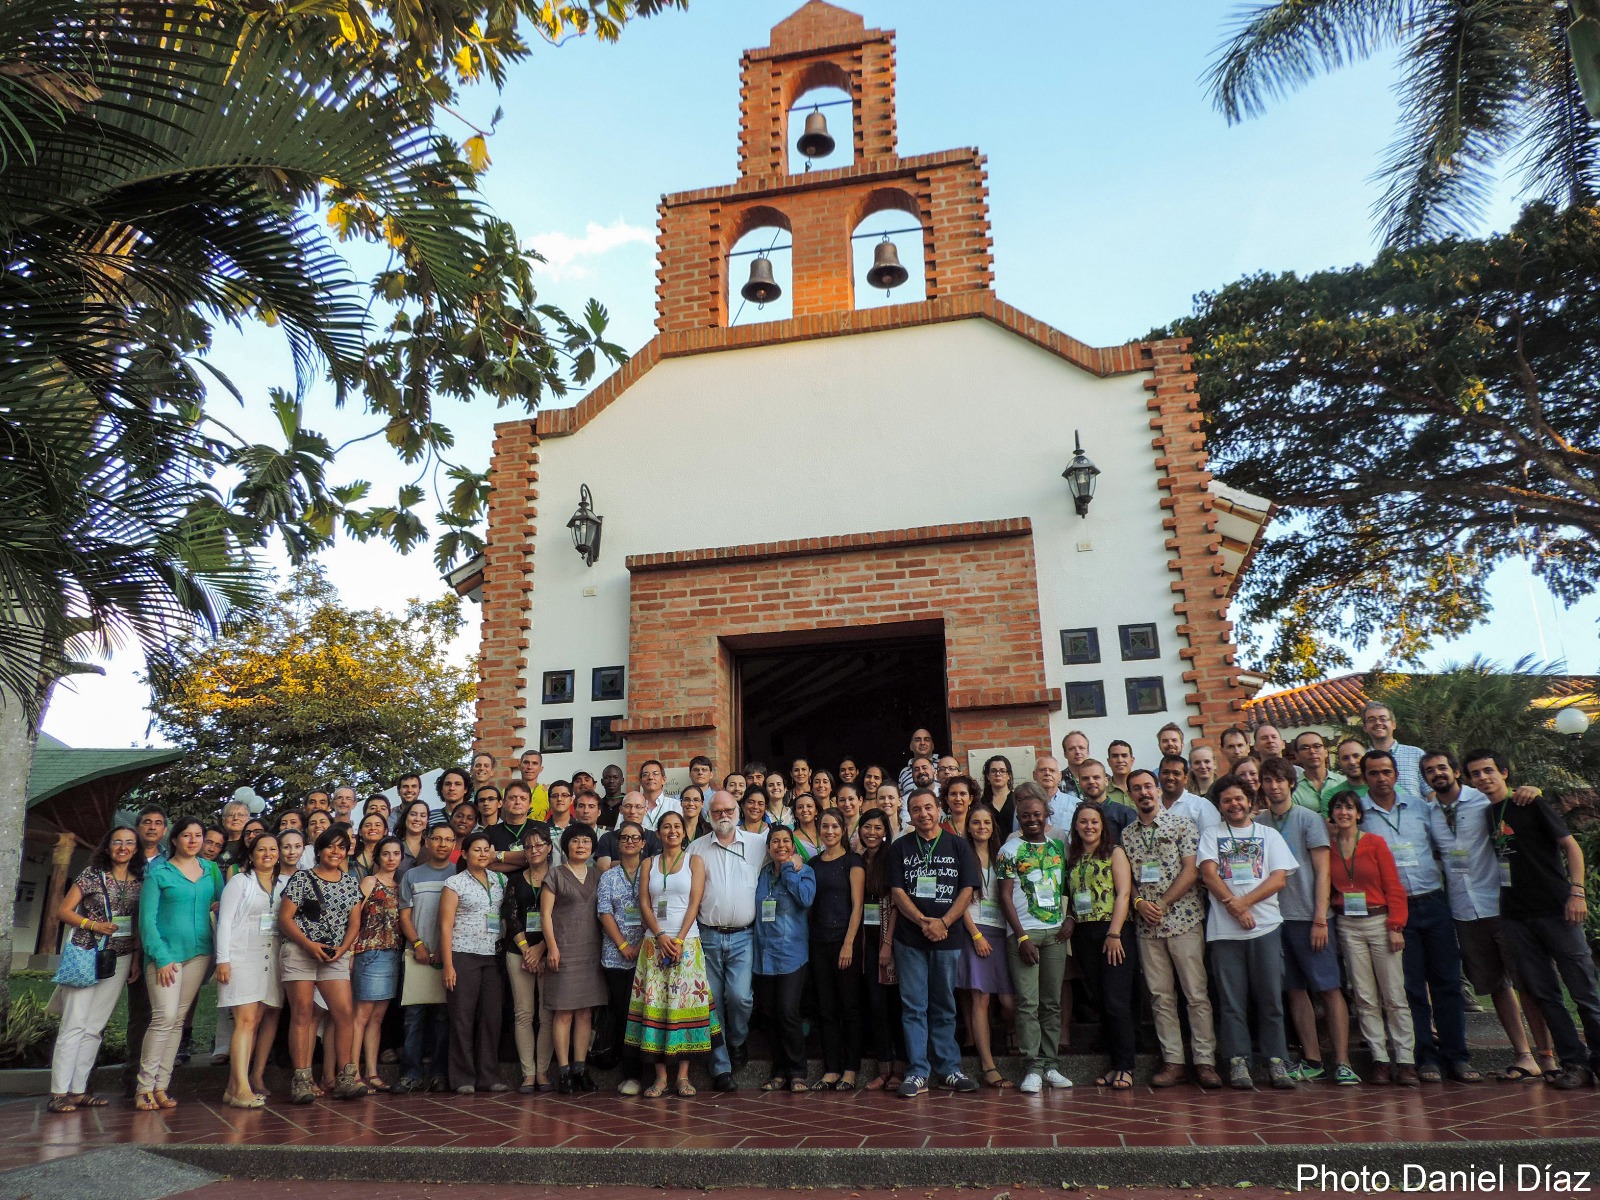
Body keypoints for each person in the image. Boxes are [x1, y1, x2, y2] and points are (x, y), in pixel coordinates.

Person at [1466, 749, 1600, 1089]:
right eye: (1476, 774)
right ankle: (1575, 1064)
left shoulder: (1531, 804)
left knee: (1583, 990)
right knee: (1545, 994)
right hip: (1515, 916)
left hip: (1557, 909)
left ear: (1505, 773)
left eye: (1488, 771)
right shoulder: (1487, 814)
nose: (1483, 778)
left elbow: (1571, 846)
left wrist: (1577, 891)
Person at [1422, 750, 1554, 1081]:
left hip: (1500, 904)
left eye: (1442, 767)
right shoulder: (1428, 812)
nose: (1437, 773)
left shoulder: (1481, 802)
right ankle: (1523, 1055)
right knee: (1496, 985)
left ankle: (1548, 1056)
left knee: (1525, 982)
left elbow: (1512, 801)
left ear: (1455, 772)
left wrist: (1531, 790)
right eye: (1429, 770)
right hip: (1464, 911)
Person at [1359, 749, 1480, 1084]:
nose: (1381, 778)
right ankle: (1425, 1056)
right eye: (1373, 773)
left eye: (1386, 771)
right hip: (1395, 911)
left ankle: (1458, 1057)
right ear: (1365, 777)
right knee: (1410, 987)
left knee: (1447, 982)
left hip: (1433, 901)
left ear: (1396, 774)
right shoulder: (1359, 816)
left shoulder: (1420, 808)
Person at [1198, 773, 1298, 1090]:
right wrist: (1234, 907)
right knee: (1231, 1002)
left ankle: (1276, 1061)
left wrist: (1243, 904)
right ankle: (1238, 1061)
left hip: (1266, 927)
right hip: (1224, 933)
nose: (1234, 804)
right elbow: (1208, 874)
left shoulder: (1268, 835)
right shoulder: (1211, 834)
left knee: (1270, 999)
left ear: (1250, 801)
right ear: (1220, 806)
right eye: (1227, 800)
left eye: (1239, 798)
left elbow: (1278, 878)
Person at [1121, 769, 1219, 1090]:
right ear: (1130, 794)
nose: (1144, 793)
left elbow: (1191, 871)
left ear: (1158, 789)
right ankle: (1173, 1061)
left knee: (1196, 994)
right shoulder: (1127, 835)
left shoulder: (1182, 824)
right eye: (1137, 789)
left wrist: (1162, 903)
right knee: (1161, 997)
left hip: (1183, 920)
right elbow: (1128, 883)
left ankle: (1205, 1061)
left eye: (1148, 786)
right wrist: (1138, 904)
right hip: (1147, 928)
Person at [1259, 756, 1353, 1084]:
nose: (1274, 786)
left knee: (1328, 987)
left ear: (1291, 784)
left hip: (1310, 917)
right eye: (1268, 780)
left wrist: (1320, 918)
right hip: (1274, 920)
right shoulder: (1258, 822)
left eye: (1279, 780)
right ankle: (1312, 1058)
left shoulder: (1309, 818)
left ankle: (1342, 1061)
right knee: (1295, 990)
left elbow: (1323, 871)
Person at [888, 788, 981, 1098]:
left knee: (944, 1005)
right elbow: (898, 893)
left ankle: (949, 1070)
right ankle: (917, 1073)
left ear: (938, 809)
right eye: (916, 809)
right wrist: (922, 922)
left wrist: (943, 923)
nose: (923, 814)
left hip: (948, 937)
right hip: (910, 939)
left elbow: (968, 889)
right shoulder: (900, 847)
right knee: (914, 1006)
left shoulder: (958, 846)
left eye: (928, 807)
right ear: (909, 815)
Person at [49, 825, 144, 1113]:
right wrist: (93, 925)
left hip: (121, 957)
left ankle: (78, 1090)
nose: (123, 847)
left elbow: (137, 922)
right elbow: (63, 911)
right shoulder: (91, 875)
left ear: (136, 849)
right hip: (87, 953)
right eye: (117, 842)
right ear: (107, 846)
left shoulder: (139, 881)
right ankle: (58, 1092)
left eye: (129, 843)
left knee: (94, 1027)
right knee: (74, 1024)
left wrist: (137, 959)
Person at [134, 816, 224, 1110]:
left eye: (198, 835)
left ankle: (162, 1086)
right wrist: (160, 957)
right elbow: (147, 922)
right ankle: (143, 1087)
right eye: (187, 835)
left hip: (199, 954)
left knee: (178, 1020)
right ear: (174, 840)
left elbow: (222, 904)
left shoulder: (210, 871)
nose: (194, 840)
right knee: (164, 1018)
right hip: (165, 957)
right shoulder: (158, 873)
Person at [1326, 791, 1416, 1084]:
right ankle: (1379, 1058)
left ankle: (1405, 1060)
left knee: (1394, 994)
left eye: (1349, 807)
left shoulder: (1375, 843)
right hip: (1348, 925)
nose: (1344, 812)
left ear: (1359, 814)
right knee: (1364, 996)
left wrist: (1396, 925)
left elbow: (1393, 885)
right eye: (1338, 807)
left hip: (1380, 921)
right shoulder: (1329, 848)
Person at [628, 810, 718, 1096]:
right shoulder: (648, 864)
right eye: (666, 827)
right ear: (658, 833)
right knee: (658, 1007)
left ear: (684, 832)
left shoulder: (695, 861)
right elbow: (644, 904)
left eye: (677, 827)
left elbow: (695, 903)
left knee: (682, 1008)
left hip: (687, 944)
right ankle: (660, 1078)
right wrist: (661, 935)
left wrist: (678, 939)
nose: (672, 831)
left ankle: (683, 1076)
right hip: (654, 944)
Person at [278, 826, 367, 1103]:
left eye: (342, 847)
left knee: (344, 1013)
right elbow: (285, 918)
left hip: (334, 956)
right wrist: (308, 945)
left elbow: (355, 921)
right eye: (331, 846)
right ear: (319, 849)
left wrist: (344, 948)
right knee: (303, 1013)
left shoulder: (351, 882)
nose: (335, 851)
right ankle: (302, 1079)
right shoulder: (302, 878)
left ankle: (346, 1076)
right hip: (301, 951)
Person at [995, 792, 1073, 1095]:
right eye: (1025, 815)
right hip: (1024, 935)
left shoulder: (1057, 847)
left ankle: (1051, 1065)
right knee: (1028, 1003)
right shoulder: (1009, 850)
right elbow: (1004, 896)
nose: (1031, 819)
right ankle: (1033, 1066)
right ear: (1018, 817)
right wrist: (1021, 935)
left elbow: (1067, 885)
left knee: (1051, 1003)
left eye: (1037, 814)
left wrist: (1071, 920)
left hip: (1055, 933)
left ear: (1046, 815)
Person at [689, 790, 767, 1091]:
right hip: (707, 936)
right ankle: (721, 1068)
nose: (724, 815)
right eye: (717, 810)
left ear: (738, 811)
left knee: (740, 997)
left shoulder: (758, 844)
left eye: (728, 809)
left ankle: (737, 1039)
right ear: (709, 814)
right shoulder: (696, 849)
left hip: (744, 937)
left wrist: (796, 861)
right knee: (712, 1004)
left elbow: (787, 853)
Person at [1064, 804, 1135, 1089]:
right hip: (1084, 932)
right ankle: (1112, 1065)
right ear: (1076, 825)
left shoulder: (1114, 852)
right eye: (1083, 822)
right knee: (1101, 1000)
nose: (1089, 826)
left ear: (1102, 825)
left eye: (1094, 821)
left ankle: (1126, 1066)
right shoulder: (1074, 856)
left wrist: (1115, 933)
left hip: (1113, 931)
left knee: (1117, 1000)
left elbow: (1124, 893)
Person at [214, 832, 285, 1108]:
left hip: (270, 960)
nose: (268, 854)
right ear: (252, 855)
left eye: (272, 849)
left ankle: (233, 1087)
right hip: (241, 958)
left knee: (255, 1021)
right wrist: (223, 959)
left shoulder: (284, 885)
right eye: (261, 850)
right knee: (245, 1021)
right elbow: (225, 921)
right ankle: (242, 1088)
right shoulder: (240, 882)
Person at [438, 830, 509, 1093]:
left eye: (486, 849)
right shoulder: (454, 883)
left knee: (491, 1017)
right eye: (476, 850)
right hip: (462, 954)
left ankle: (488, 1076)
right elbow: (445, 927)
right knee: (462, 1017)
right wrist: (448, 965)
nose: (481, 854)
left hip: (492, 955)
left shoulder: (500, 879)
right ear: (465, 854)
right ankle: (462, 1077)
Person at [540, 822, 608, 1091]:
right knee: (564, 1013)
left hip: (592, 951)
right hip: (563, 951)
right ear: (565, 845)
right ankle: (564, 1071)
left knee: (585, 1013)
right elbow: (545, 915)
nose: (581, 845)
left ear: (593, 847)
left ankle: (581, 1069)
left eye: (586, 841)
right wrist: (552, 947)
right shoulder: (555, 875)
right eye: (576, 841)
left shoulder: (598, 875)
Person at [754, 825, 816, 1092]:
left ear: (793, 845)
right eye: (775, 841)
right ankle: (778, 1070)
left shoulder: (805, 871)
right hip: (763, 955)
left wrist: (790, 869)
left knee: (788, 1012)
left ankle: (797, 1070)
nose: (780, 846)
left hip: (792, 954)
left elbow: (805, 899)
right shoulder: (762, 875)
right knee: (768, 1013)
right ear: (768, 847)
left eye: (786, 841)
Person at [395, 824, 457, 1093]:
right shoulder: (411, 876)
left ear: (455, 845)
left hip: (448, 958)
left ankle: (439, 1073)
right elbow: (404, 917)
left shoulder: (459, 875)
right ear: (427, 842)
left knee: (444, 1018)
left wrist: (444, 951)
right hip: (417, 955)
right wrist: (418, 944)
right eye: (437, 839)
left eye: (448, 840)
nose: (442, 844)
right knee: (413, 1017)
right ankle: (410, 1073)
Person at [957, 803, 1013, 1088]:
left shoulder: (1002, 855)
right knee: (981, 998)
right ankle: (988, 1065)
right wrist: (975, 935)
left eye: (986, 823)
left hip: (1001, 932)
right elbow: (960, 902)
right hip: (974, 931)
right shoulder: (962, 856)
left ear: (993, 828)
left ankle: (1011, 1037)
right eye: (976, 822)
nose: (981, 827)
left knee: (1008, 1000)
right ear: (968, 826)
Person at [810, 809, 865, 1089]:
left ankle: (850, 1069)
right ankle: (831, 1068)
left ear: (843, 829)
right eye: (824, 826)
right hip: (818, 943)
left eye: (834, 826)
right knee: (826, 1008)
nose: (829, 831)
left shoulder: (853, 862)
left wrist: (848, 944)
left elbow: (857, 906)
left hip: (845, 943)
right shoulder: (813, 863)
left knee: (849, 1007)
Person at [856, 810, 906, 1091]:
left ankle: (900, 1069)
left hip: (891, 940)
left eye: (877, 827)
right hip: (867, 940)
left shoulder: (892, 856)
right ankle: (883, 1069)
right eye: (867, 827)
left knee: (894, 1006)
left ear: (885, 829)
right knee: (875, 1007)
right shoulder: (860, 860)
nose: (871, 832)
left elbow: (898, 903)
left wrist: (888, 943)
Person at [502, 822, 555, 1092]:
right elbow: (510, 918)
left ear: (549, 848)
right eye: (528, 846)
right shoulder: (515, 879)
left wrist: (541, 949)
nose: (534, 850)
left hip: (548, 953)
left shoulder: (558, 877)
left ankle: (544, 1071)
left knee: (547, 1015)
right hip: (519, 954)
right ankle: (528, 1074)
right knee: (523, 1013)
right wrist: (526, 950)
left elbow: (561, 918)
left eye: (539, 845)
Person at [350, 835, 404, 1093]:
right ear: (378, 857)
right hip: (368, 952)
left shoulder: (400, 885)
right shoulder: (369, 882)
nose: (391, 858)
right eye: (386, 853)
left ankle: (372, 1072)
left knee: (377, 1018)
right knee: (360, 1016)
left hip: (392, 953)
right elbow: (354, 916)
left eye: (396, 853)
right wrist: (350, 951)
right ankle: (352, 1072)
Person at [596, 821, 646, 1095]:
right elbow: (604, 912)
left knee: (645, 1013)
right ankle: (630, 1075)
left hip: (648, 955)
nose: (629, 841)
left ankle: (651, 1070)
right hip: (616, 957)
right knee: (624, 1013)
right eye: (624, 837)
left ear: (643, 842)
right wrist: (624, 944)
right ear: (618, 843)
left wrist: (641, 945)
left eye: (634, 837)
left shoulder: (651, 872)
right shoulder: (608, 877)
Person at [120, 804, 167, 1098]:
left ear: (164, 830)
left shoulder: (169, 862)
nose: (151, 827)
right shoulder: (126, 858)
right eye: (146, 822)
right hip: (118, 941)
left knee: (154, 1014)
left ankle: (148, 1077)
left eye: (158, 823)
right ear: (138, 826)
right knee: (136, 1016)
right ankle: (128, 1076)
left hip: (154, 947)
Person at [1363, 702, 1425, 799]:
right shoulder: (1362, 760)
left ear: (1393, 724)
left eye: (1383, 719)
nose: (1378, 723)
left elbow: (1431, 792)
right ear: (1365, 727)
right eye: (1372, 720)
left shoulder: (1416, 754)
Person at [1157, 754, 1221, 836]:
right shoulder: (1152, 807)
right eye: (1166, 772)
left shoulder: (1202, 806)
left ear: (1185, 779)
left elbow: (1212, 840)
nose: (1170, 777)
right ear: (1159, 776)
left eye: (1176, 773)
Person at [1074, 760, 1137, 843]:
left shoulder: (1125, 813)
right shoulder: (1077, 814)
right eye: (1085, 778)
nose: (1091, 781)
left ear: (1106, 781)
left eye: (1096, 777)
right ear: (1080, 783)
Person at [596, 792, 661, 869]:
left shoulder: (654, 838)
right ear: (621, 809)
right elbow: (604, 868)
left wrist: (614, 864)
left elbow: (655, 868)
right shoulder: (607, 838)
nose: (632, 811)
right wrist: (644, 863)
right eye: (628, 806)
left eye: (638, 807)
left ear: (646, 810)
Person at [1291, 732, 1343, 816]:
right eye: (1305, 748)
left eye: (1317, 746)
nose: (1312, 751)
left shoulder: (1342, 782)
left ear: (1326, 752)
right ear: (1297, 756)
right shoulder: (1293, 789)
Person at [394, 798, 432, 877]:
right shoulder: (393, 846)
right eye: (413, 814)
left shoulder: (432, 847)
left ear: (427, 821)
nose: (417, 819)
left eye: (423, 815)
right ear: (405, 817)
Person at [639, 759, 680, 830]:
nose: (650, 778)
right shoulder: (631, 807)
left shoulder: (675, 806)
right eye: (645, 774)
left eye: (655, 774)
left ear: (663, 780)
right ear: (640, 781)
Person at [897, 728, 937, 795]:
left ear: (932, 745)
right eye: (917, 740)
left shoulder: (943, 766)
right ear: (911, 746)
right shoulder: (904, 772)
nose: (922, 743)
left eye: (926, 739)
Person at [350, 811, 389, 879]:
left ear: (385, 831)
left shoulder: (391, 855)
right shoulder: (351, 854)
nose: (373, 828)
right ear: (360, 832)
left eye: (377, 825)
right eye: (368, 825)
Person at [939, 772, 976, 837]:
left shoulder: (978, 827)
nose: (958, 798)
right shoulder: (939, 830)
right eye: (953, 794)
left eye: (962, 794)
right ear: (947, 799)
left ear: (970, 799)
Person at [518, 749, 552, 820]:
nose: (530, 767)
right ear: (519, 766)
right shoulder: (507, 792)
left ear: (541, 769)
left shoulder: (547, 792)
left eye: (534, 763)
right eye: (526, 762)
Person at [791, 792, 822, 862]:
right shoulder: (791, 838)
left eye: (809, 806)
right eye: (800, 807)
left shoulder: (826, 832)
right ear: (795, 813)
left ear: (816, 811)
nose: (804, 810)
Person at [599, 764, 627, 828]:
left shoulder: (629, 804)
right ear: (602, 782)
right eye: (607, 778)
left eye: (615, 777)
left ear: (622, 781)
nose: (611, 781)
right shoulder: (597, 804)